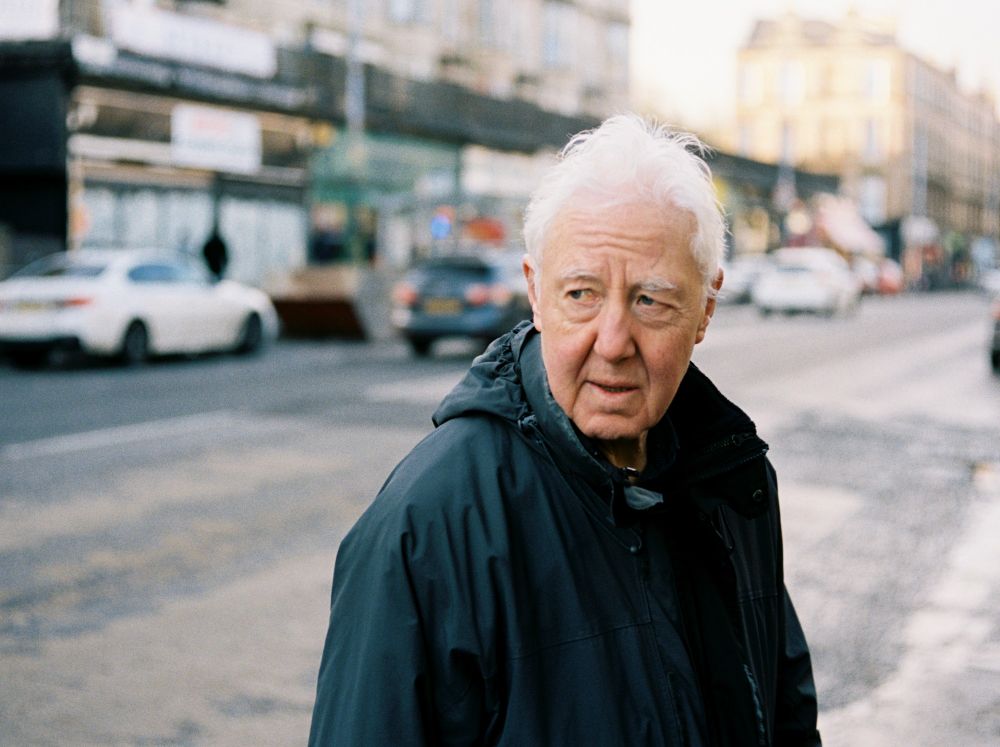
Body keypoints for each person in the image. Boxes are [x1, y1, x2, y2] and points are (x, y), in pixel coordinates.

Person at [308, 114, 821, 746]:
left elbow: (784, 717)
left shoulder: (734, 482)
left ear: (705, 310)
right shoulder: (428, 526)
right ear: (535, 293)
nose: (612, 342)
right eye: (580, 294)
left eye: (649, 301)